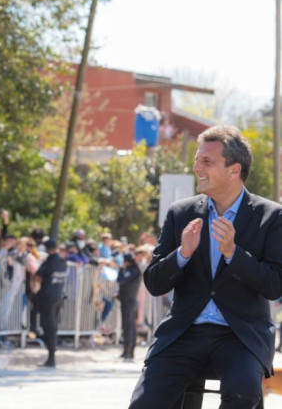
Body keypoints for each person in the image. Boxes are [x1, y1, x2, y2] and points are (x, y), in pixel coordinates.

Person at [129, 125, 282, 408]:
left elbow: (274, 285)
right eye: (197, 160)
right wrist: (183, 253)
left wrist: (233, 254)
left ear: (234, 170)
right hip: (185, 331)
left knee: (243, 394)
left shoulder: (271, 216)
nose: (196, 167)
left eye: (206, 162)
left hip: (241, 335)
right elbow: (154, 282)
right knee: (144, 403)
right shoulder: (181, 212)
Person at [35, 238, 67, 368]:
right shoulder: (62, 261)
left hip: (48, 298)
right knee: (53, 327)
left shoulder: (49, 262)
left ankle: (51, 358)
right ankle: (51, 356)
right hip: (59, 297)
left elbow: (38, 275)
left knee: (48, 327)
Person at [116, 254, 141, 362]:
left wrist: (121, 270)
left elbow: (121, 280)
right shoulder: (134, 271)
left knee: (128, 326)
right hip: (127, 300)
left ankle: (128, 352)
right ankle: (127, 351)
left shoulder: (133, 271)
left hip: (129, 301)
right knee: (129, 326)